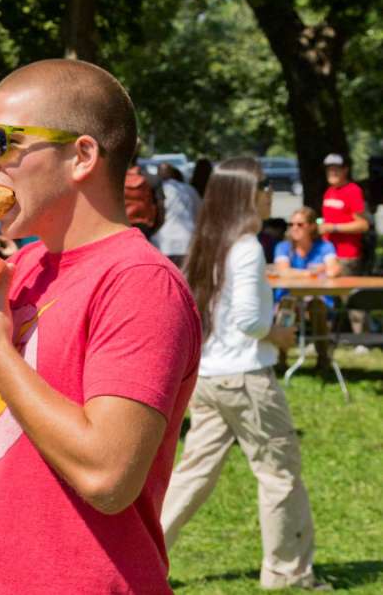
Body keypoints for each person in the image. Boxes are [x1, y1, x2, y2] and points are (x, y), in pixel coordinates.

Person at [0, 59, 200, 592]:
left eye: (2, 141)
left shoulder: (140, 282)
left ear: (81, 155)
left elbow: (108, 478)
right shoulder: (26, 266)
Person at [162, 159, 327, 590]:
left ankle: (144, 553)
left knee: (193, 474)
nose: (270, 191)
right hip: (246, 377)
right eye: (263, 185)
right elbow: (251, 322)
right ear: (243, 194)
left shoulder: (210, 243)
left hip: (211, 378)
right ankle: (286, 572)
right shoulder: (249, 246)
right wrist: (281, 334)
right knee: (279, 474)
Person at [273, 206, 340, 372]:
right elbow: (283, 271)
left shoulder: (324, 246)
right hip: (288, 298)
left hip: (317, 298)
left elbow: (334, 270)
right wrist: (314, 272)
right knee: (287, 306)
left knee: (317, 306)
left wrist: (296, 273)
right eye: (291, 224)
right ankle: (281, 360)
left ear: (311, 226)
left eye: (300, 224)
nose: (294, 228)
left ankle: (323, 360)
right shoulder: (283, 247)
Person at [318, 153, 368, 274]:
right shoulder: (329, 191)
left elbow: (363, 225)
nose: (332, 172)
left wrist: (333, 228)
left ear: (345, 170)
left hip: (346, 256)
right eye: (329, 169)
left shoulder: (353, 190)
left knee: (343, 292)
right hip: (328, 254)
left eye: (336, 169)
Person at [152, 162, 201, 268]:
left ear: (158, 174)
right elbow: (199, 212)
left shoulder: (157, 190)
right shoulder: (189, 189)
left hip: (163, 242)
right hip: (187, 241)